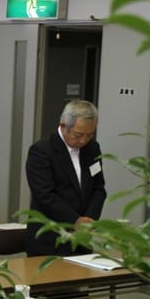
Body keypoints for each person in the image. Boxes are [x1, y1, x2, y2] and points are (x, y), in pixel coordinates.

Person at [25, 99, 106, 257]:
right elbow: (45, 195)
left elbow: (99, 189)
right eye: (78, 135)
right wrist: (75, 220)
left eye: (89, 135)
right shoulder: (41, 151)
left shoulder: (92, 149)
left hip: (82, 240)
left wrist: (88, 220)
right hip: (50, 239)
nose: (83, 141)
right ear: (63, 126)